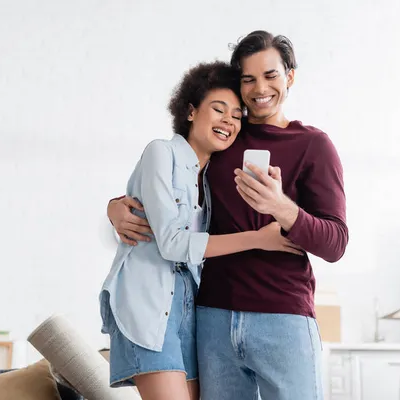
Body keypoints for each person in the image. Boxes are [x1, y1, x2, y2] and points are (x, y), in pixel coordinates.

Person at [107, 31, 349, 400]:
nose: (259, 88)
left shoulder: (313, 146)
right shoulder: (223, 138)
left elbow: (335, 243)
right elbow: (170, 195)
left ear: (290, 77)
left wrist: (281, 208)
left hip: (282, 316)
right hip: (212, 319)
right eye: (248, 79)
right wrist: (115, 206)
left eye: (270, 75)